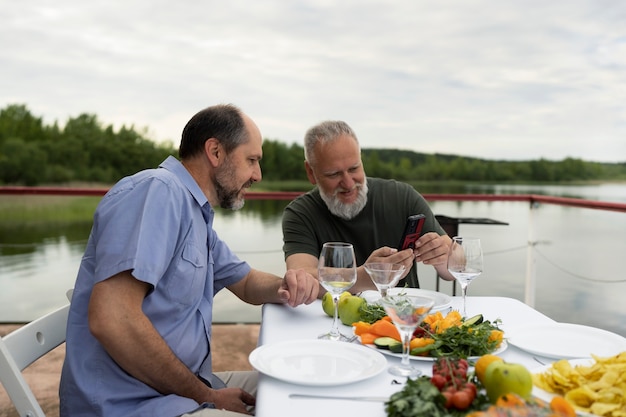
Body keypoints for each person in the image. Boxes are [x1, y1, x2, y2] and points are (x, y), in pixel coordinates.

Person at [59, 104, 319, 417]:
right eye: (251, 160)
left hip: (183, 390)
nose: (257, 175)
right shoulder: (157, 193)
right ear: (215, 152)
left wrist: (286, 285)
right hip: (132, 405)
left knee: (304, 387)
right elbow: (112, 319)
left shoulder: (195, 214)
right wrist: (207, 396)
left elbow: (247, 283)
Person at [282, 120, 455, 294]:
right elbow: (301, 279)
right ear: (311, 172)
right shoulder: (300, 213)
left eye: (354, 168)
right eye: (333, 174)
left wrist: (442, 258)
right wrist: (365, 277)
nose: (348, 183)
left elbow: (457, 267)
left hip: (401, 317)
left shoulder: (402, 196)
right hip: (329, 318)